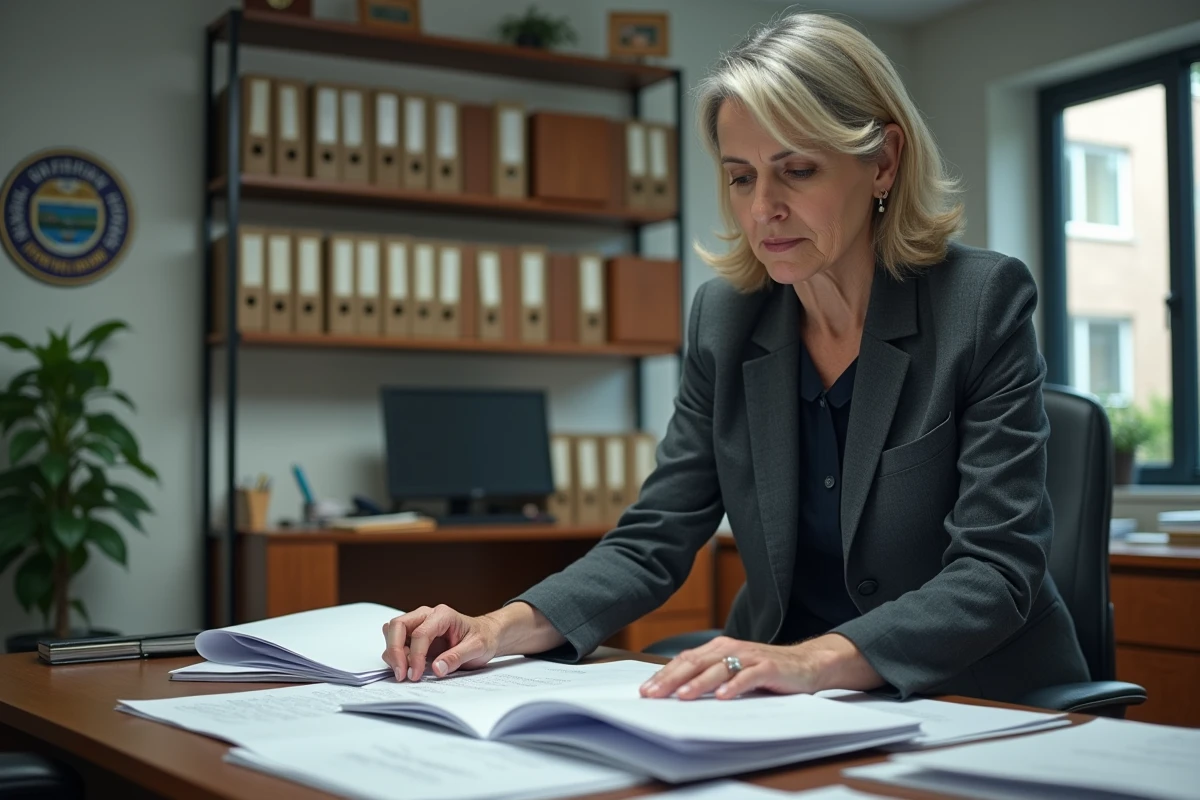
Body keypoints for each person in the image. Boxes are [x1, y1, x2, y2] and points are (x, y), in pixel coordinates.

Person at [381, 12, 1090, 703]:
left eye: (797, 170)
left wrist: (811, 661)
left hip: (972, 697)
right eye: (741, 177)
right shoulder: (726, 320)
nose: (762, 209)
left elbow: (996, 569)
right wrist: (495, 627)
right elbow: (654, 537)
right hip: (784, 699)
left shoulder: (979, 303)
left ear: (883, 162)